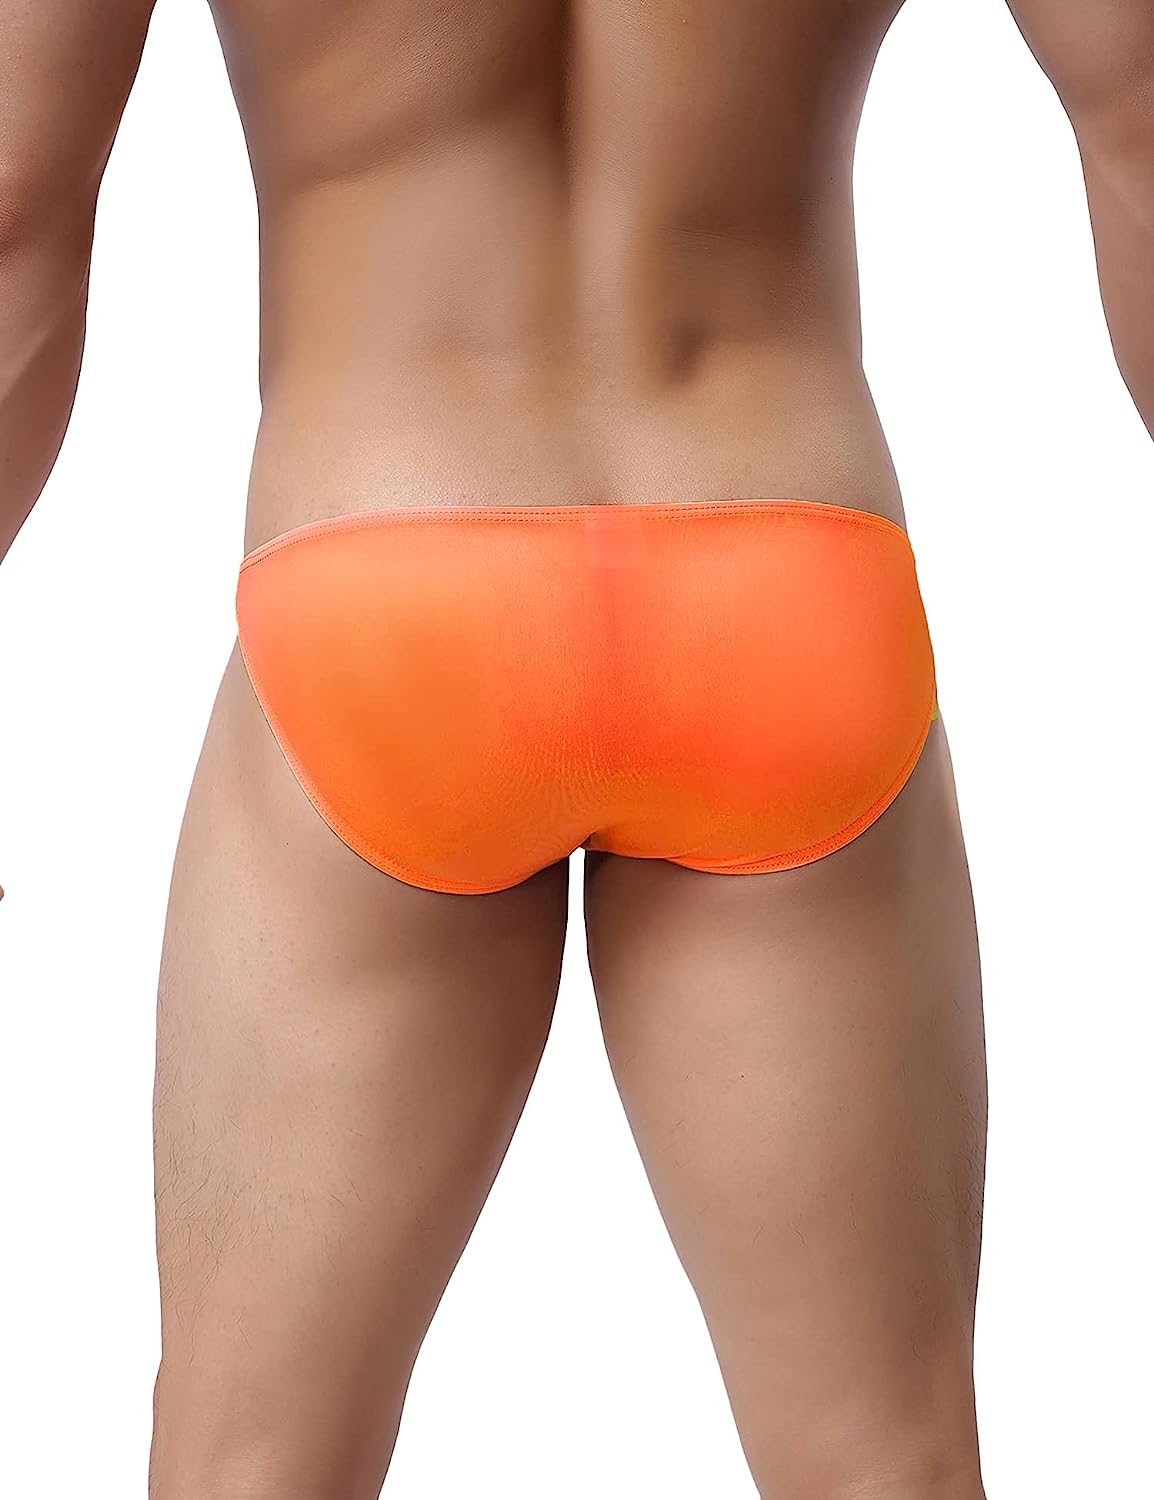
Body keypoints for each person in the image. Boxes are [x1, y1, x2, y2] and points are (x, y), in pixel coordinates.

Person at [1, 2, 1150, 1496]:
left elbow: (16, 220)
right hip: (777, 568)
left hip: (388, 572)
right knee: (886, 1462)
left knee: (252, 1460)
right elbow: (1136, 106)